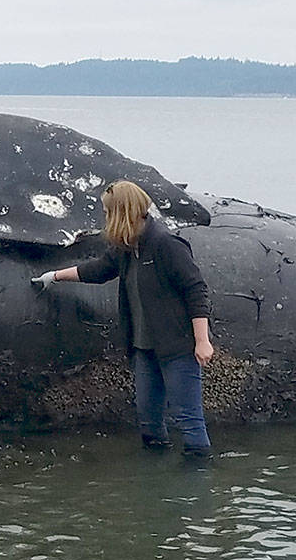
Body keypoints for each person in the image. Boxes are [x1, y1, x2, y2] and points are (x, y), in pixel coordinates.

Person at [32, 180, 215, 457]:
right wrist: (55, 277)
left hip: (177, 348)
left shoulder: (166, 245)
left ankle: (196, 484)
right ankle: (156, 480)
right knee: (149, 420)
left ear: (121, 212)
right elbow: (99, 270)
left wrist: (202, 341)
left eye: (108, 213)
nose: (105, 219)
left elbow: (195, 290)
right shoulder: (127, 247)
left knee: (188, 419)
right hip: (143, 347)